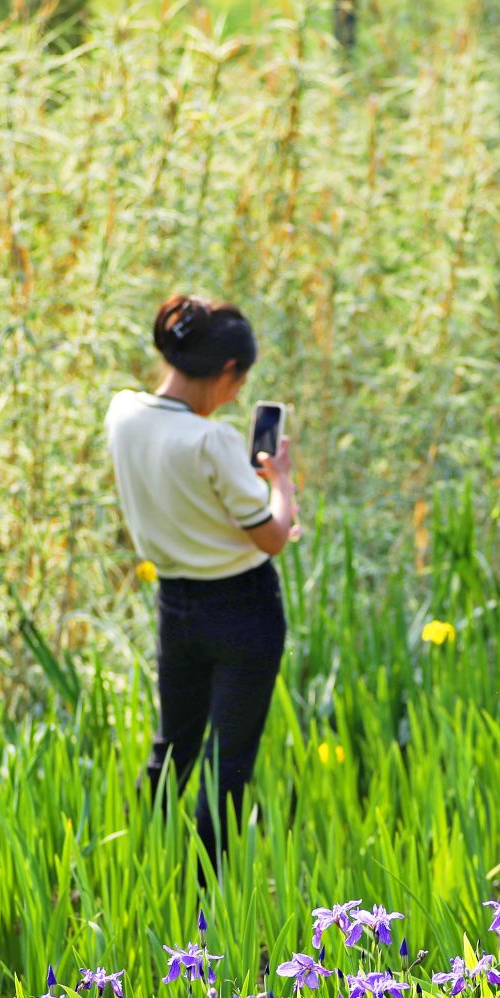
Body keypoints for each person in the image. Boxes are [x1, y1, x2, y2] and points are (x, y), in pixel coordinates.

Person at [106, 295, 301, 865]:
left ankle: (136, 870)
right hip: (243, 609)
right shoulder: (211, 441)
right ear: (226, 371)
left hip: (175, 606)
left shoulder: (123, 413)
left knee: (171, 750)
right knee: (228, 764)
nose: (237, 395)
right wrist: (281, 483)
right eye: (239, 382)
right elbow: (272, 537)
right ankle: (205, 896)